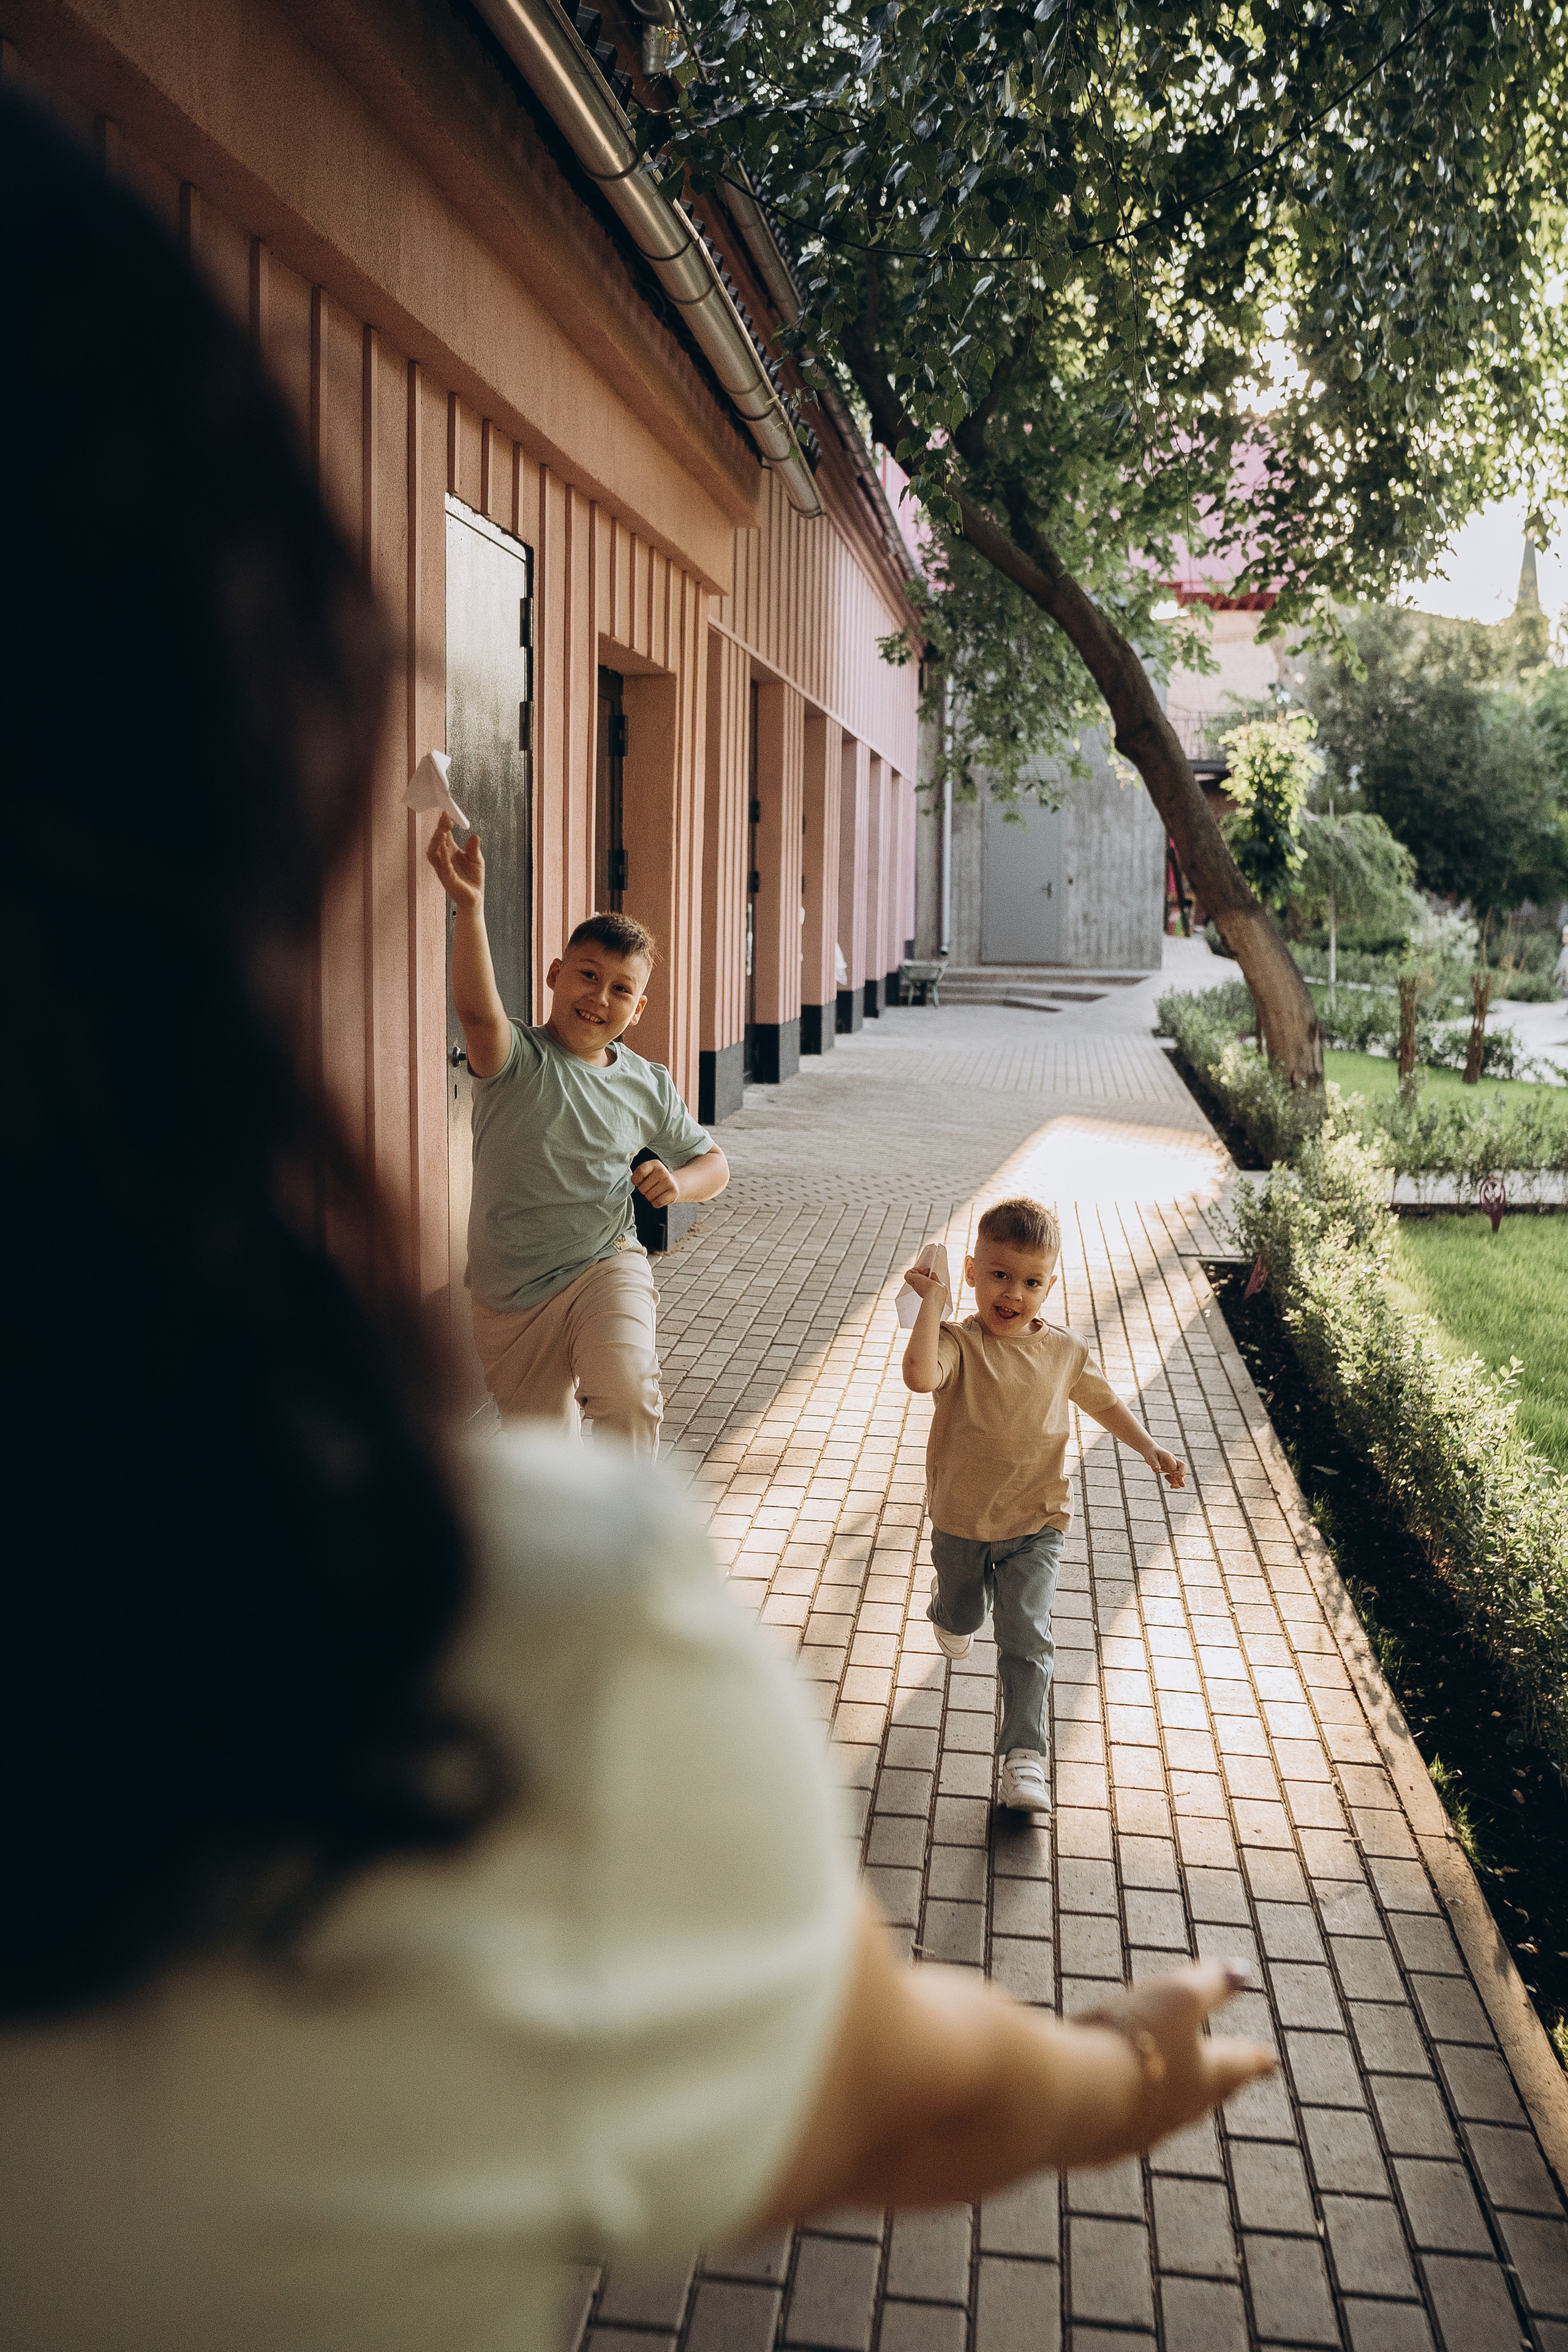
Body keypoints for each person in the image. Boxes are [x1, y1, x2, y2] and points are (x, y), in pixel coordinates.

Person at [0, 85, 1271, 2352]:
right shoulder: (494, 1654)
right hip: (496, 1329)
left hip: (585, 1294)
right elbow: (862, 2106)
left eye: (610, 977)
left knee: (621, 1382)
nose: (589, 995)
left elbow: (692, 1169)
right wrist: (1108, 2079)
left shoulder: (628, 1136)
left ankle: (645, 1423)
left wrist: (689, 1179)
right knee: (551, 1432)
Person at [426, 815, 729, 1456]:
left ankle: (627, 1539)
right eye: (588, 975)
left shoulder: (646, 1082)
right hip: (510, 1296)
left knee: (626, 1394)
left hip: (604, 1265)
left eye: (622, 989)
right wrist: (470, 906)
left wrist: (678, 1183)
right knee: (546, 1459)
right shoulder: (517, 1060)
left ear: (638, 1009)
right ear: (556, 974)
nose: (600, 997)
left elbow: (713, 1163)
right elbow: (477, 1013)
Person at [902, 1197, 1186, 1812]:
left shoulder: (1063, 1351)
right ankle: (950, 1612)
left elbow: (1104, 1402)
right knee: (963, 1614)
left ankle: (1023, 1758)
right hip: (961, 1520)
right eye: (999, 1275)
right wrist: (932, 1303)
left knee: (1027, 1636)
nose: (1014, 1294)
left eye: (1032, 1282)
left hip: (1038, 1521)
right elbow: (921, 1376)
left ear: (1049, 1285)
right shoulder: (957, 1341)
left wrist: (1149, 1447)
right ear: (973, 1272)